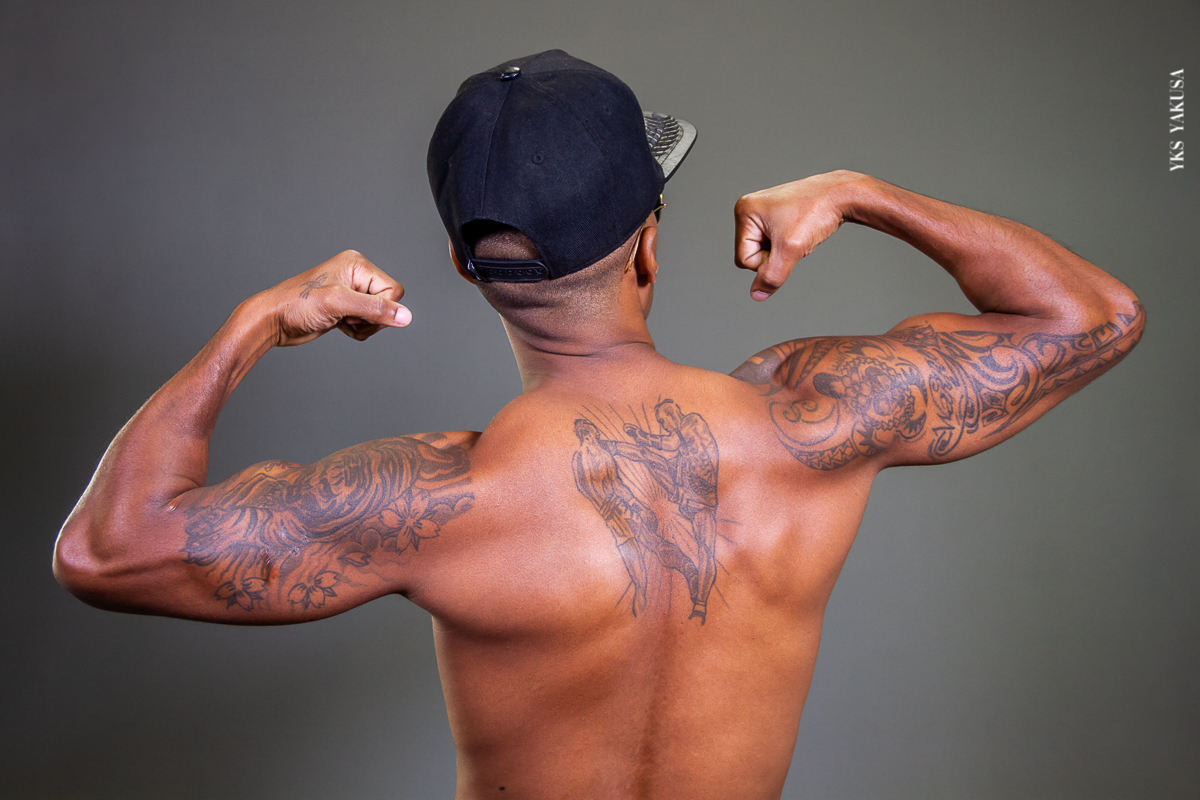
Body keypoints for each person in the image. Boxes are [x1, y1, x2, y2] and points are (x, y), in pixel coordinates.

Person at [54, 49, 1144, 799]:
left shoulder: (439, 501)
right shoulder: (812, 424)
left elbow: (107, 548)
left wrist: (256, 319)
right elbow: (1095, 315)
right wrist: (861, 192)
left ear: (466, 270)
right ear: (648, 241)